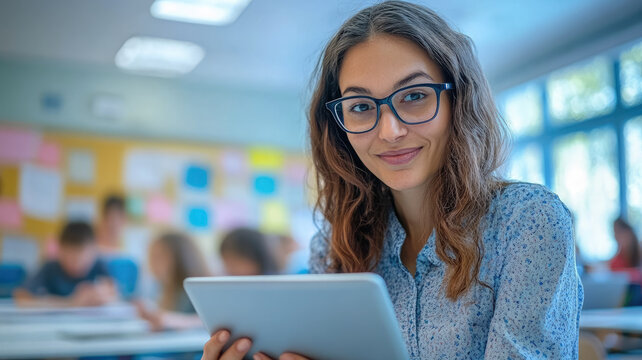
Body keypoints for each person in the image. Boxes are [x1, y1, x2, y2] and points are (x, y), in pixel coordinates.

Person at [201, 1, 583, 359]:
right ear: (339, 126)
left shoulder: (528, 222)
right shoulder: (336, 247)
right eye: (362, 107)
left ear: (458, 101)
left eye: (415, 95)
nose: (390, 130)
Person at [14, 221, 117, 307]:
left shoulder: (99, 264)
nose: (78, 264)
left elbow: (114, 293)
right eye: (72, 259)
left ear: (94, 251)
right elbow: (21, 297)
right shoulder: (50, 267)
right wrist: (70, 302)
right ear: (60, 251)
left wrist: (102, 296)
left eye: (84, 260)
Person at [135, 231, 210, 331]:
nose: (152, 263)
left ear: (180, 258)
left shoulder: (198, 289)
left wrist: (171, 320)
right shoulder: (162, 288)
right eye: (151, 256)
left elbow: (208, 321)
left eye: (159, 257)